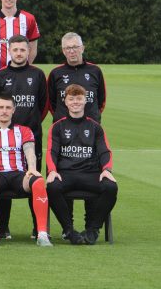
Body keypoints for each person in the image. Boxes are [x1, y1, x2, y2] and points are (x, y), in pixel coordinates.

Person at [0, 34, 49, 238]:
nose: (20, 53)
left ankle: (37, 227)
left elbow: (43, 106)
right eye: (16, 49)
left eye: (23, 49)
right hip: (4, 136)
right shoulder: (0, 75)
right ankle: (3, 227)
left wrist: (29, 128)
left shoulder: (38, 74)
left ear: (29, 51)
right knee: (3, 175)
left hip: (31, 136)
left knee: (34, 178)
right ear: (9, 51)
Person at [0, 93, 52, 247]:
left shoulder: (23, 130)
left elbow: (30, 151)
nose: (4, 111)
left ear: (13, 110)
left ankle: (42, 234)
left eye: (8, 107)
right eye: (1, 107)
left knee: (38, 181)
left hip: (19, 175)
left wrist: (32, 169)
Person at [46, 84, 117, 245]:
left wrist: (107, 169)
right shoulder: (57, 127)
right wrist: (51, 170)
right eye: (71, 99)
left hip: (90, 173)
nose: (75, 102)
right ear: (65, 101)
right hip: (66, 174)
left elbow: (105, 151)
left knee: (111, 187)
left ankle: (93, 229)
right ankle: (69, 230)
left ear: (86, 101)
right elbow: (52, 151)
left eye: (79, 99)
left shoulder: (95, 126)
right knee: (52, 187)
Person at [48, 32, 107, 123]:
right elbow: (50, 103)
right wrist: (61, 116)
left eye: (75, 47)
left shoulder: (95, 71)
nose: (72, 51)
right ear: (63, 51)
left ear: (82, 48)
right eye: (68, 48)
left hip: (90, 127)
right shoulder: (55, 73)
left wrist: (93, 116)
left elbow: (101, 101)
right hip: (63, 127)